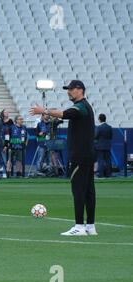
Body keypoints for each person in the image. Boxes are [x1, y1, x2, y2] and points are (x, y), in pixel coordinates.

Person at [30, 80, 97, 236]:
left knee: (78, 190)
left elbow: (63, 114)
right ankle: (90, 226)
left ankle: (79, 226)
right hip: (87, 154)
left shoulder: (81, 106)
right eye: (68, 89)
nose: (68, 92)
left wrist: (43, 111)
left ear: (80, 90)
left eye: (71, 89)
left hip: (79, 156)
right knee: (88, 191)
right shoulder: (84, 107)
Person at [95, 114, 112, 178]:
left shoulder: (99, 127)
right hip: (107, 146)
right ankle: (109, 174)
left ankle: (100, 174)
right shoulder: (109, 127)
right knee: (108, 160)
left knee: (100, 160)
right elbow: (110, 136)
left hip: (100, 146)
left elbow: (95, 136)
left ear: (99, 119)